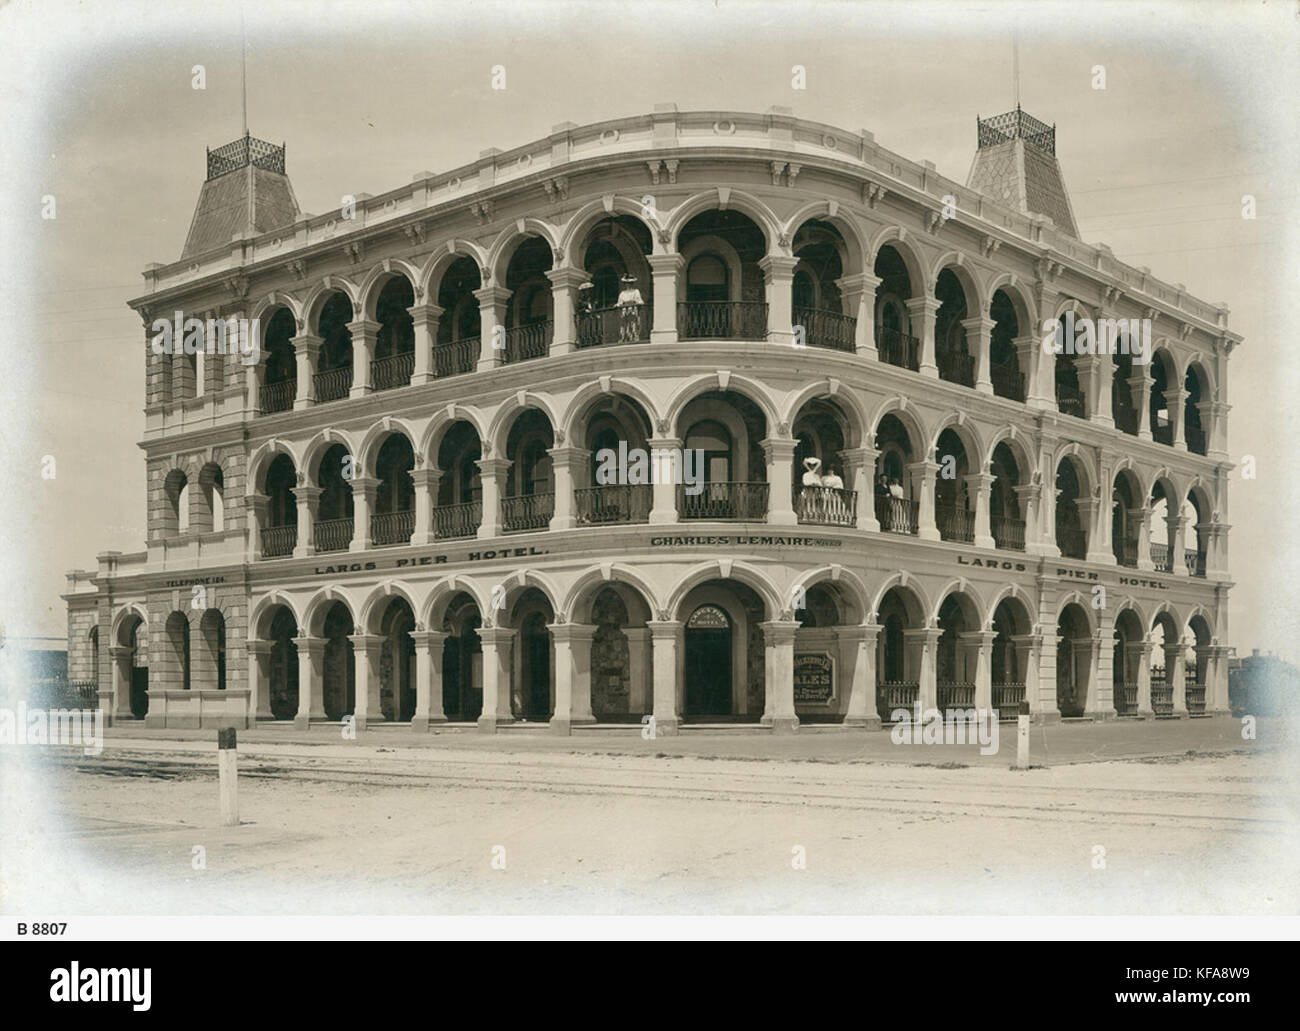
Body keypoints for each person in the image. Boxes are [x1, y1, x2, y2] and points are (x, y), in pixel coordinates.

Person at [616, 273, 644, 342]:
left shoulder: (636, 291)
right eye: (627, 283)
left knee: (633, 324)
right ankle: (624, 337)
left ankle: (634, 337)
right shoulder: (622, 293)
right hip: (625, 312)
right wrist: (618, 305)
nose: (628, 285)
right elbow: (619, 302)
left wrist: (634, 303)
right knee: (625, 325)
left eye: (630, 283)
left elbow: (639, 301)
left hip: (633, 311)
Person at [799, 456, 824, 521]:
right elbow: (805, 482)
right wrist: (812, 483)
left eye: (814, 466)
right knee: (807, 503)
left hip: (815, 492)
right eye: (811, 466)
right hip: (807, 491)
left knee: (814, 504)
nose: (812, 467)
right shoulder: (806, 474)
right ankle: (805, 516)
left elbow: (820, 484)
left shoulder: (816, 476)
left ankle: (814, 516)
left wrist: (816, 484)